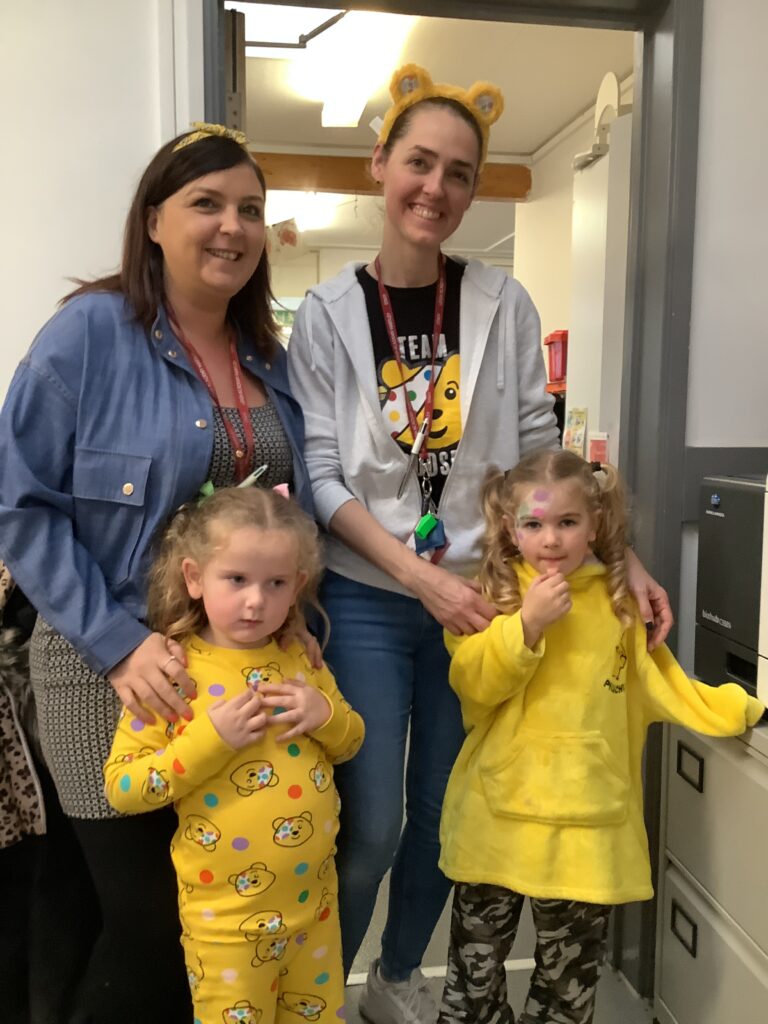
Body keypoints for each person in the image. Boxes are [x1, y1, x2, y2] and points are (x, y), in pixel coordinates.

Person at [287, 64, 673, 1024]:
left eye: (461, 173)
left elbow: (547, 455)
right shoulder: (330, 315)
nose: (437, 189)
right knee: (371, 822)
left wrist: (616, 555)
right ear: (380, 164)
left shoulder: (504, 301)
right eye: (420, 162)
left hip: (490, 601)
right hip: (375, 594)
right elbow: (324, 476)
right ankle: (322, 982)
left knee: (447, 815)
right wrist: (419, 577)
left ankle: (398, 978)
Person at [0, 122, 313, 1024]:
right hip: (108, 677)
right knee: (148, 921)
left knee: (218, 911)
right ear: (152, 221)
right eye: (205, 204)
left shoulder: (267, 355)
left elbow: (276, 524)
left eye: (250, 209)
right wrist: (118, 643)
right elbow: (20, 503)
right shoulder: (89, 334)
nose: (232, 228)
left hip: (230, 679)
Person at [436, 450, 764, 1024]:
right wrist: (527, 625)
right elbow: (472, 685)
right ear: (511, 528)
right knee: (472, 988)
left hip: (588, 830)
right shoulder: (490, 596)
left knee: (567, 993)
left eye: (567, 522)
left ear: (595, 525)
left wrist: (743, 708)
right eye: (534, 524)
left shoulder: (619, 604)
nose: (552, 540)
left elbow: (664, 687)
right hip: (496, 824)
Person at [104, 485, 364, 1024]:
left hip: (314, 914)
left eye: (274, 584)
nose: (255, 601)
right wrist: (210, 741)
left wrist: (325, 714)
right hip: (225, 928)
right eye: (237, 579)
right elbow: (124, 788)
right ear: (195, 578)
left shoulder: (299, 657)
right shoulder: (174, 673)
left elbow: (351, 741)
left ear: (296, 587)